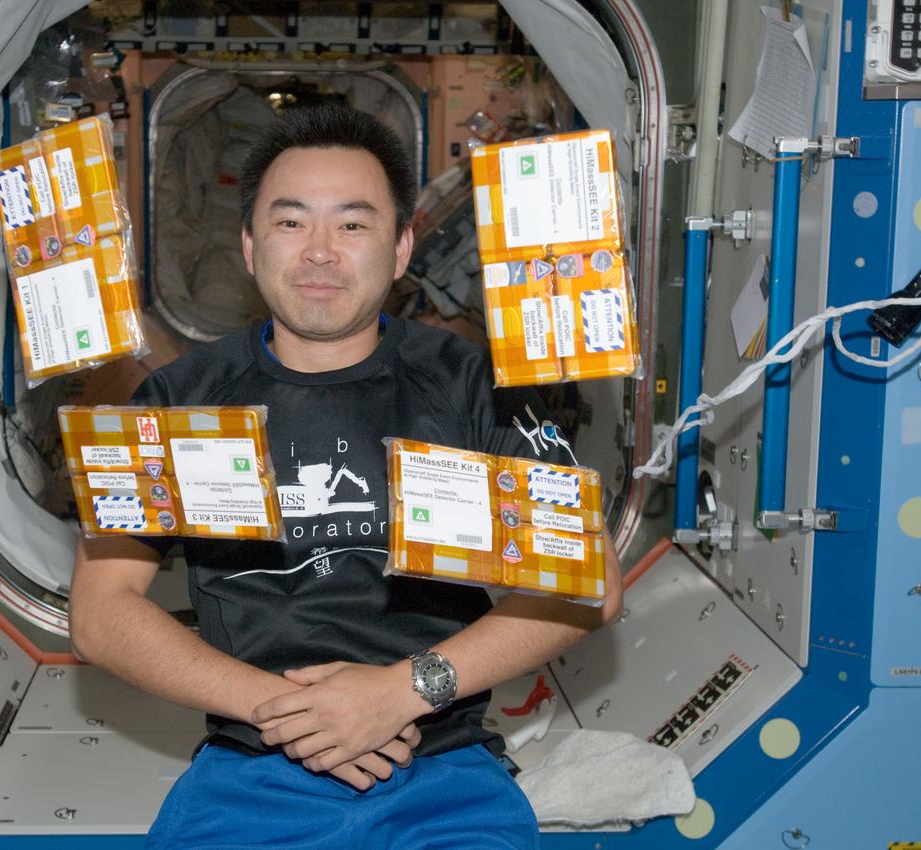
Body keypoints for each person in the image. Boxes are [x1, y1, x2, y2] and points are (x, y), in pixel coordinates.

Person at [69, 104, 624, 849]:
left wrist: (401, 692)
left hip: (442, 768)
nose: (320, 252)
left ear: (401, 249)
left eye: (353, 224)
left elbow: (591, 582)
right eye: (291, 222)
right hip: (253, 767)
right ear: (248, 243)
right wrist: (295, 713)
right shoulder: (178, 398)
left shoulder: (475, 387)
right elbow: (102, 613)